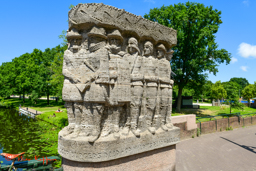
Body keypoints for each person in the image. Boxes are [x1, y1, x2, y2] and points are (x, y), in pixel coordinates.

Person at [123, 37, 143, 137]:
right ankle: (127, 125)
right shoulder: (125, 57)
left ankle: (134, 126)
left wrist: (133, 77)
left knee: (135, 105)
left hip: (137, 85)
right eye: (129, 43)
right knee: (127, 105)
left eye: (132, 44)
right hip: (126, 85)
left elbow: (143, 75)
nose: (130, 46)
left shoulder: (140, 59)